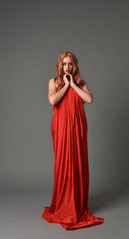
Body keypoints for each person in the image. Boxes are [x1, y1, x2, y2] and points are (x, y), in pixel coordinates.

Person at [41, 51, 104, 230]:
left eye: (70, 64)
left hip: (78, 128)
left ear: (74, 66)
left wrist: (73, 85)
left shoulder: (80, 83)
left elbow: (89, 99)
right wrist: (65, 86)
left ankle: (77, 205)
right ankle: (63, 204)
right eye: (64, 64)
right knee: (63, 163)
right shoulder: (53, 82)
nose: (67, 67)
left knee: (78, 162)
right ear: (60, 66)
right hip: (60, 128)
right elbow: (53, 100)